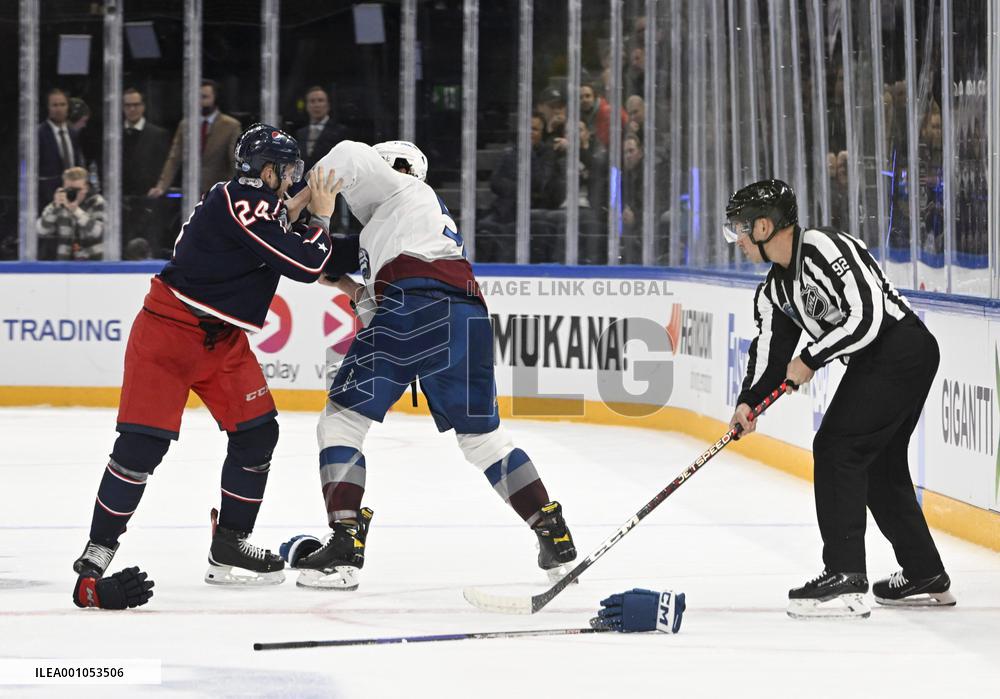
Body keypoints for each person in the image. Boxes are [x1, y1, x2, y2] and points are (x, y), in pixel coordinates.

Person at [280, 139, 578, 590]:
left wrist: (299, 201)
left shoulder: (402, 191)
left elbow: (345, 155)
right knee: (484, 441)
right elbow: (323, 265)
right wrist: (344, 279)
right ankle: (552, 533)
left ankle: (343, 548)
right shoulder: (401, 226)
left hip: (414, 306)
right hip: (466, 315)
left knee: (341, 425)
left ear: (396, 168)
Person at [70, 124, 343, 608]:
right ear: (266, 170)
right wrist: (321, 216)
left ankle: (230, 545)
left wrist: (301, 214)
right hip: (169, 334)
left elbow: (278, 236)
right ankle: (94, 560)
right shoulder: (241, 201)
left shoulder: (246, 202)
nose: (291, 178)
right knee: (139, 450)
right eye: (286, 170)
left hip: (222, 340)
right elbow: (303, 266)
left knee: (258, 435)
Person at [724, 179, 954, 619]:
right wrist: (748, 403)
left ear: (766, 225)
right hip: (879, 362)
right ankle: (925, 571)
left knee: (836, 448)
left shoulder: (823, 247)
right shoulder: (775, 290)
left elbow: (865, 315)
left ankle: (845, 573)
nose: (737, 239)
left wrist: (810, 358)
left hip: (902, 348)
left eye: (740, 227)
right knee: (879, 468)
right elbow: (770, 355)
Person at [148, 79, 242, 198]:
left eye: (204, 97)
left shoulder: (231, 126)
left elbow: (235, 161)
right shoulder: (186, 125)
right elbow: (174, 158)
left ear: (215, 98)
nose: (200, 101)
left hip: (220, 192)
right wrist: (161, 186)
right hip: (191, 191)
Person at [121, 88, 171, 252]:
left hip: (150, 204)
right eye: (128, 105)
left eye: (136, 105)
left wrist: (160, 187)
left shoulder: (158, 135)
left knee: (151, 248)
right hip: (121, 204)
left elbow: (166, 166)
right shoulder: (113, 135)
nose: (132, 109)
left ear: (143, 107)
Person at [36, 166, 106, 260]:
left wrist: (76, 211)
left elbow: (99, 231)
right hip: (65, 265)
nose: (73, 194)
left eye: (77, 190)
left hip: (94, 265)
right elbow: (41, 230)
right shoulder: (58, 204)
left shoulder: (97, 202)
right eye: (69, 190)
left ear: (86, 188)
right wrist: (55, 208)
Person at [38, 88, 84, 210]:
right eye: (55, 105)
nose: (59, 109)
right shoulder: (38, 134)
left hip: (73, 199)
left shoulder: (72, 132)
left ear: (68, 107)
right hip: (48, 200)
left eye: (62, 104)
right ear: (48, 108)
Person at [295, 85, 349, 172]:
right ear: (307, 106)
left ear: (328, 105)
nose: (316, 105)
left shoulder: (340, 131)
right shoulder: (300, 133)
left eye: (320, 100)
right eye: (312, 101)